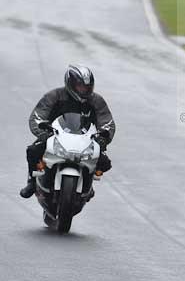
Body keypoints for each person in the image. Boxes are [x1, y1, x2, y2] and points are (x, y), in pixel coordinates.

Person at [20, 65, 116, 198]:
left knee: (105, 163)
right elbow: (38, 115)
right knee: (33, 151)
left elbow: (107, 121)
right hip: (54, 136)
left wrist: (103, 137)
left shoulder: (97, 101)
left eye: (87, 87)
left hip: (85, 139)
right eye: (80, 86)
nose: (84, 90)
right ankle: (31, 183)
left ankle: (88, 184)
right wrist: (42, 132)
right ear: (70, 84)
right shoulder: (54, 96)